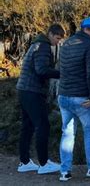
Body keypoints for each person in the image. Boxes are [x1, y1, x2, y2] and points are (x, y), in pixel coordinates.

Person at [57, 17, 90, 181]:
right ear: (87, 29)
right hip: (82, 98)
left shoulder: (67, 43)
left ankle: (65, 171)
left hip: (64, 95)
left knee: (67, 133)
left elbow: (63, 69)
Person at [16, 24, 65, 174]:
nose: (58, 42)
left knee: (27, 126)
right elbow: (42, 70)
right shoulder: (43, 46)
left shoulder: (36, 44)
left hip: (23, 89)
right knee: (43, 125)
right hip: (33, 91)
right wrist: (62, 74)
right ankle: (44, 164)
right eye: (57, 38)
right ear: (50, 34)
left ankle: (24, 162)